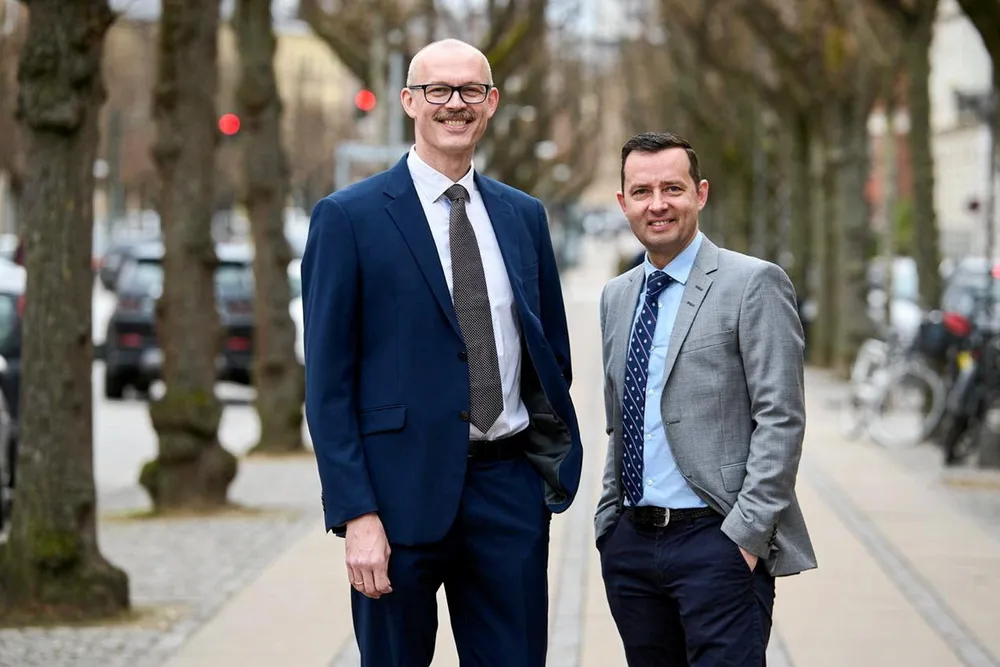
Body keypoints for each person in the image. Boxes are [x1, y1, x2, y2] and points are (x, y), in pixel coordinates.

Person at [300, 38, 582, 667]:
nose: (455, 103)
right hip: (394, 504)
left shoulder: (524, 216)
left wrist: (541, 478)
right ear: (409, 101)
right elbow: (327, 386)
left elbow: (550, 356)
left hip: (508, 495)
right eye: (438, 90)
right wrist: (356, 513)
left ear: (491, 103)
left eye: (470, 90)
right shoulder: (348, 218)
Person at [594, 131, 817, 666]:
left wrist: (745, 536)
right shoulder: (617, 296)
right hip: (632, 548)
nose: (658, 204)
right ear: (623, 202)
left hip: (716, 540)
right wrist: (609, 523)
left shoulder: (753, 283)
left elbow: (781, 419)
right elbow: (621, 416)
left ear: (700, 193)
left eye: (672, 188)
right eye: (642, 191)